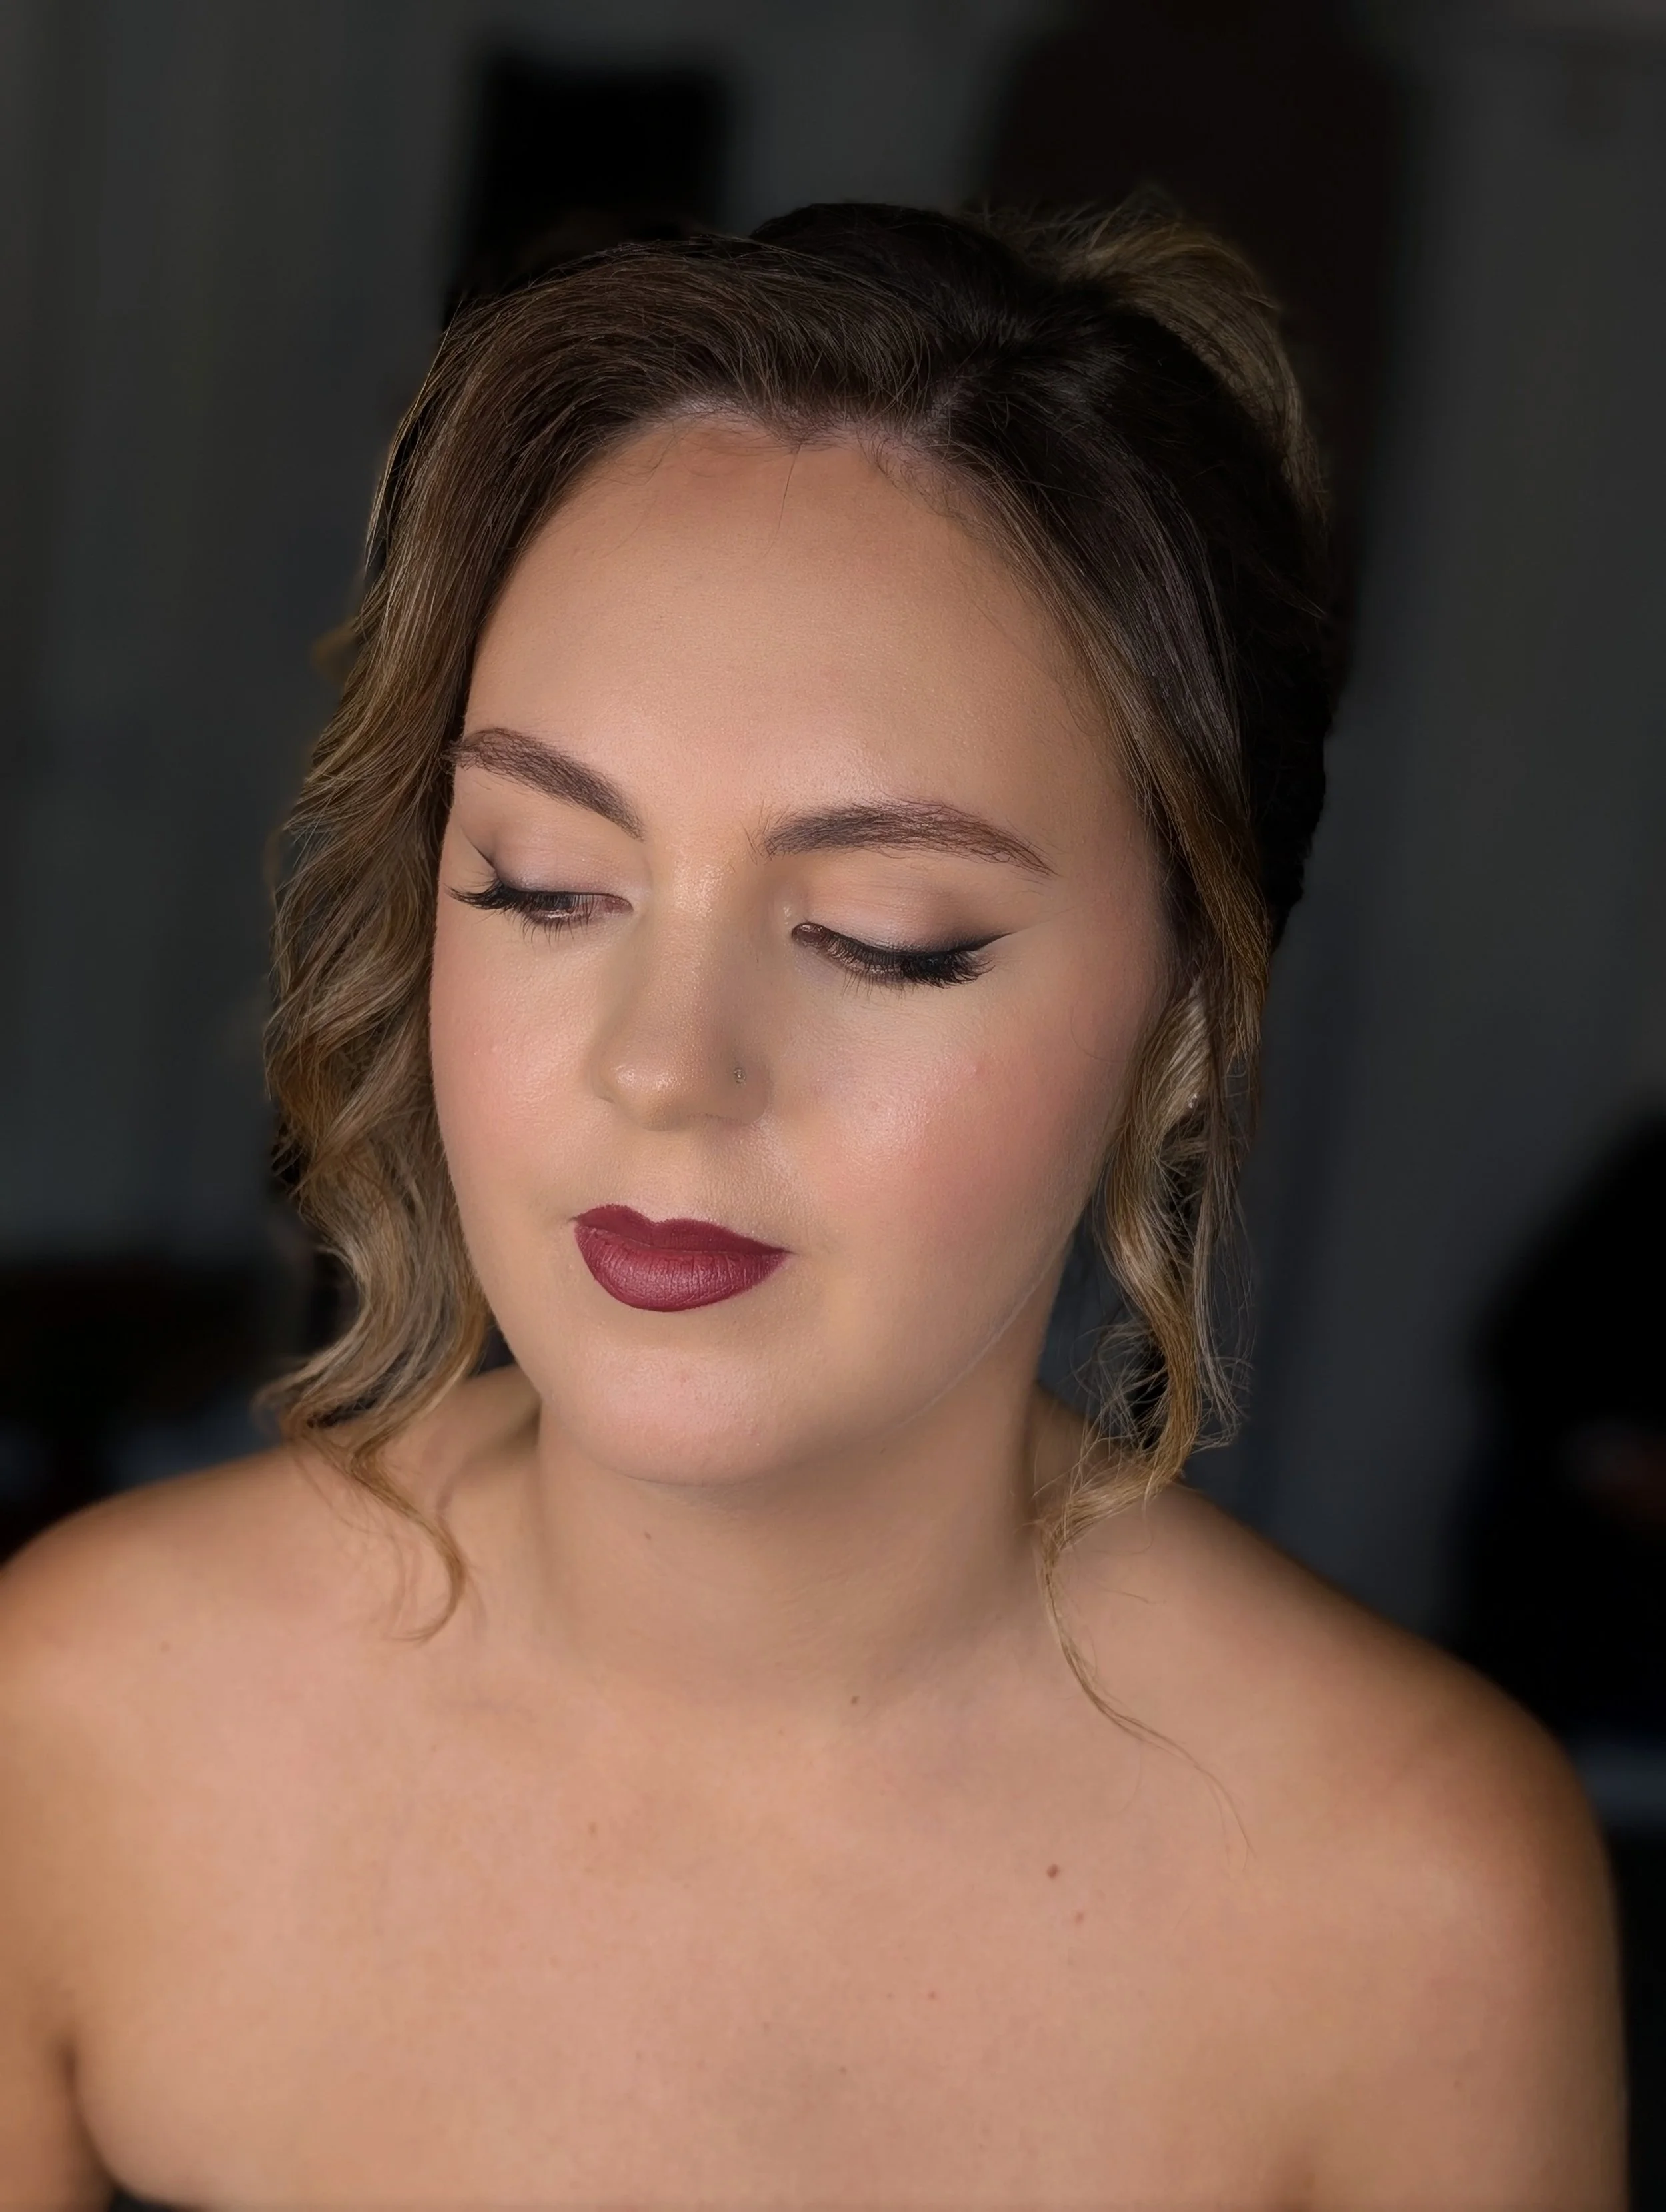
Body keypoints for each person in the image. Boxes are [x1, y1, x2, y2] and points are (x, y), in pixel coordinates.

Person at [0, 201, 1623, 2209]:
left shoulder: (1405, 1904)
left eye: (882, 935)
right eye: (544, 886)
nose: (668, 1063)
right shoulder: (75, 1721)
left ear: (1181, 1002)